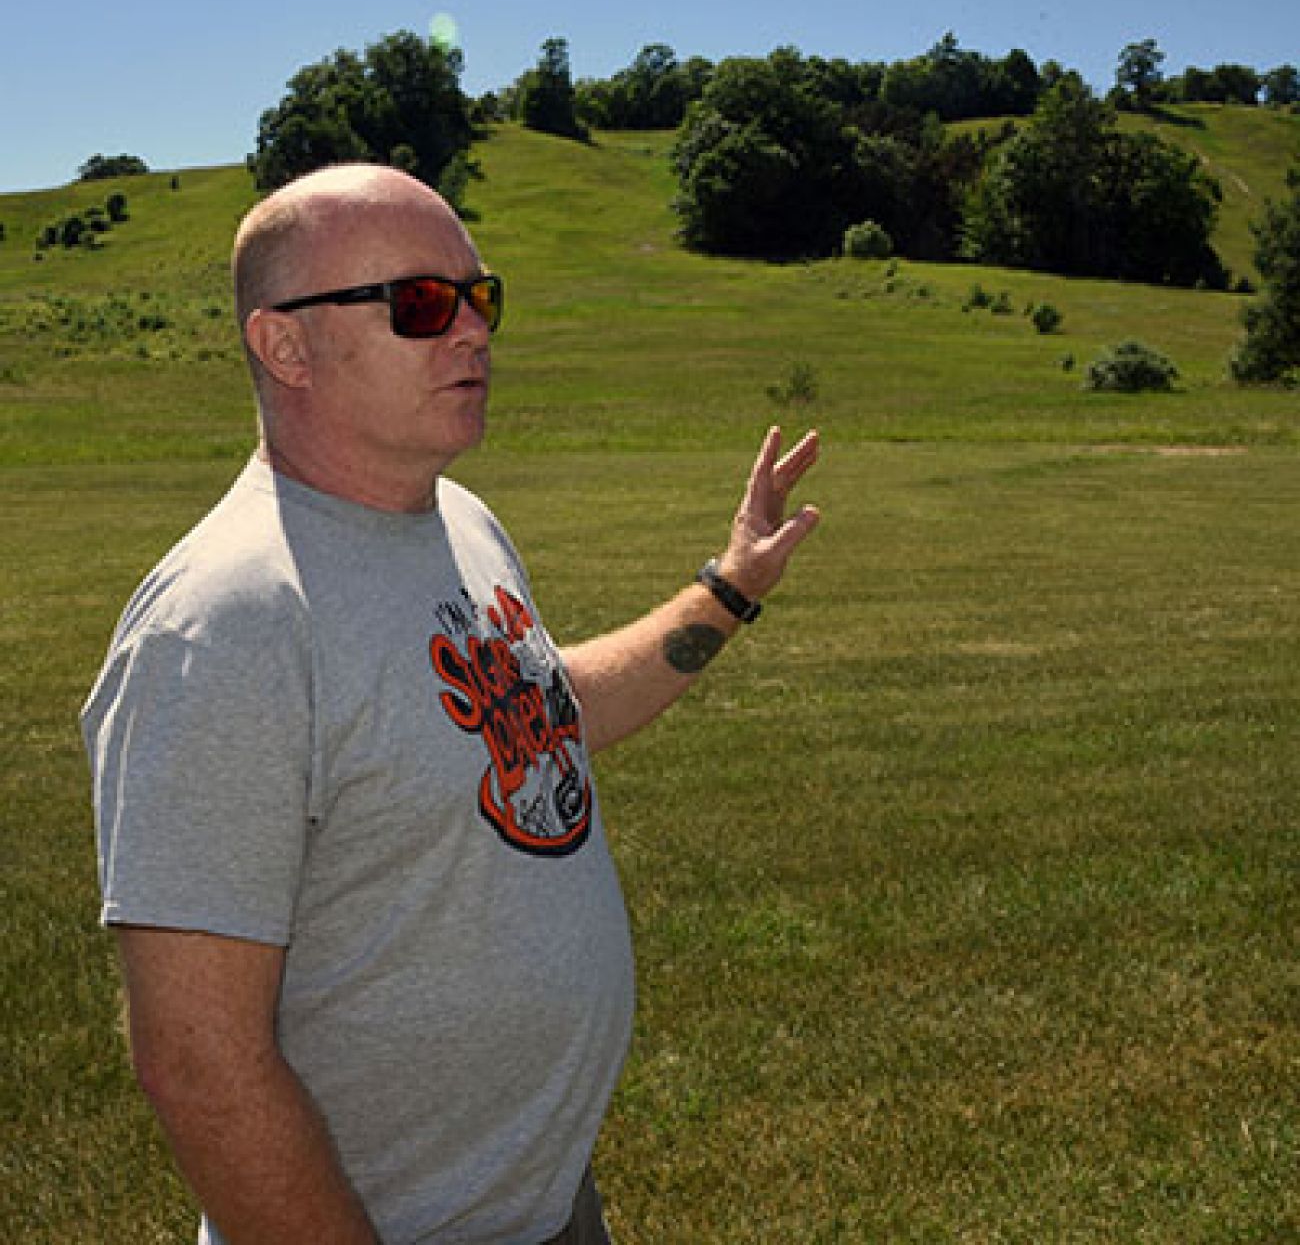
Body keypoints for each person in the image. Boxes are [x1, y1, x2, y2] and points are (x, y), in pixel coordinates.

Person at [81, 162, 820, 1245]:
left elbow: (541, 719)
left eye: (482, 297)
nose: (471, 331)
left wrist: (729, 589)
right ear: (283, 345)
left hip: (544, 1206)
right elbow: (197, 1063)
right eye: (421, 304)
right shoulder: (224, 623)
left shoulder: (461, 522)